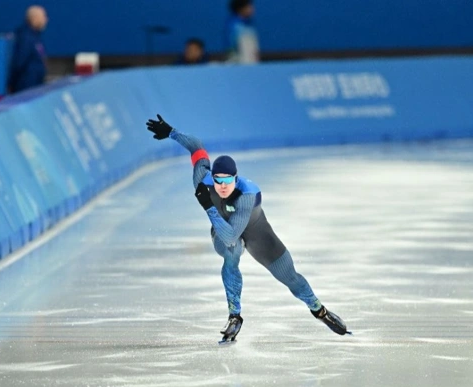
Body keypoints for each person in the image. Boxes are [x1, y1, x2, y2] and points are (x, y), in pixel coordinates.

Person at [145, 114, 351, 343]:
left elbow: (233, 235)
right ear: (211, 177)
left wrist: (208, 208)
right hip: (223, 232)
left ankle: (319, 310)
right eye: (218, 180)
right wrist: (172, 132)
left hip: (256, 233)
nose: (222, 186)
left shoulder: (247, 195)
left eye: (227, 181)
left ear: (236, 178)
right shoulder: (202, 179)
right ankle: (235, 316)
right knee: (231, 254)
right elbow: (196, 147)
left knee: (290, 277)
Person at [8, 5, 48, 94]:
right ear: (35, 18)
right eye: (44, 16)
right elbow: (19, 62)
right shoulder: (26, 37)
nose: (46, 20)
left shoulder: (35, 37)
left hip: (35, 86)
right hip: (25, 88)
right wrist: (12, 83)